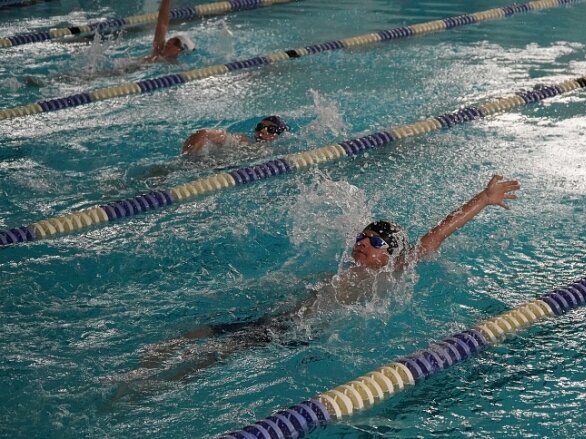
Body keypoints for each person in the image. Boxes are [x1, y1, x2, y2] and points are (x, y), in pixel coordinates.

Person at [128, 175, 520, 383]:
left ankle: (162, 383)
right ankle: (147, 360)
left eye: (377, 240)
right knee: (204, 332)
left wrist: (482, 199)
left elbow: (435, 235)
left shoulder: (395, 272)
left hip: (299, 334)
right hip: (280, 319)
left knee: (221, 352)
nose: (365, 242)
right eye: (363, 236)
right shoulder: (343, 269)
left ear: (392, 254)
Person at [181, 115, 289, 156]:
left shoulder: (280, 152)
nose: (264, 130)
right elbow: (203, 133)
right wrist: (189, 156)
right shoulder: (243, 141)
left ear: (280, 135)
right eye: (260, 126)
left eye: (271, 129)